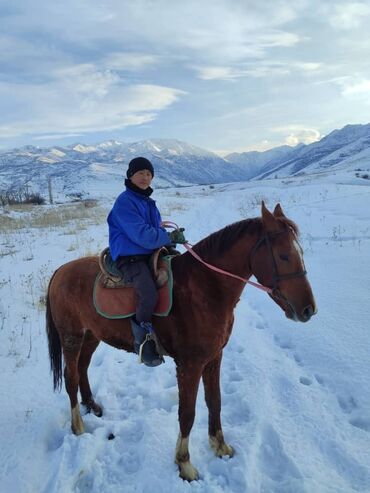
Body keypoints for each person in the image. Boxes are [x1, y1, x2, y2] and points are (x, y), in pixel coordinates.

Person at [107, 157, 186, 367]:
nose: (145, 177)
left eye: (149, 174)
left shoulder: (148, 202)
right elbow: (141, 234)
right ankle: (144, 338)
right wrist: (167, 237)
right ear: (130, 176)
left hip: (149, 252)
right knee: (148, 292)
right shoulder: (125, 201)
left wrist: (168, 239)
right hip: (129, 255)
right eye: (140, 173)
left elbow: (156, 229)